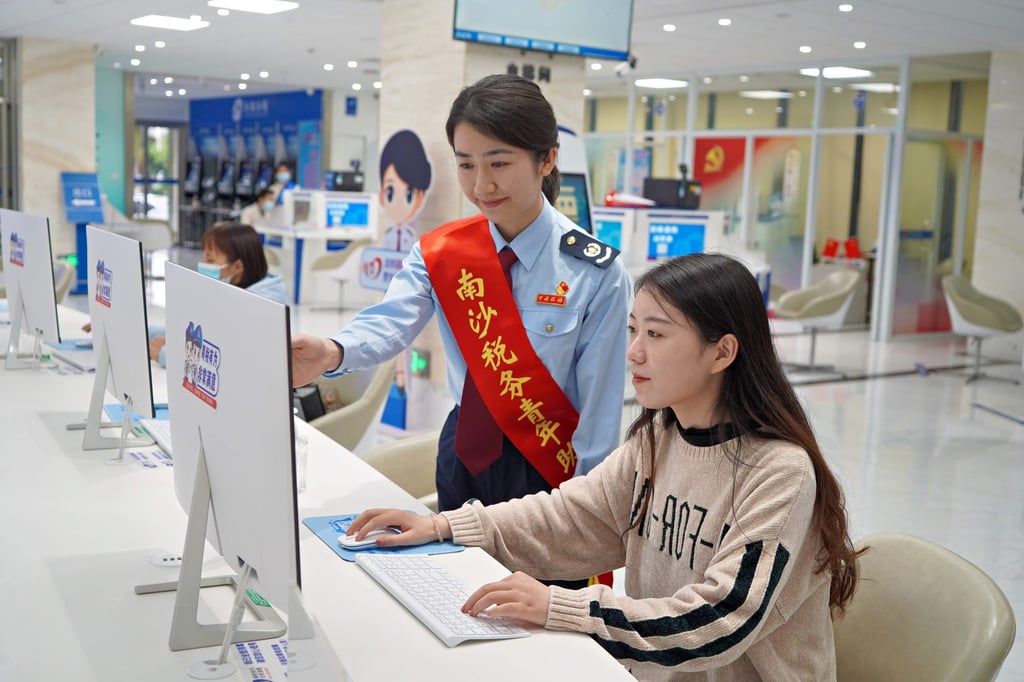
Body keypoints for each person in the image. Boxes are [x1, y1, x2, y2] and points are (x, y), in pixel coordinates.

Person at [347, 252, 864, 680]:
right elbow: (572, 517)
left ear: (722, 351)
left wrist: (565, 609)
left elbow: (721, 619)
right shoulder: (659, 438)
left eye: (656, 336)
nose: (633, 353)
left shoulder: (780, 473)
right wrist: (444, 526)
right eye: (633, 330)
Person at [290, 74, 631, 583]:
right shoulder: (444, 252)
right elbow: (391, 323)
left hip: (546, 472)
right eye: (466, 164)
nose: (480, 186)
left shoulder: (594, 273)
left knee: (534, 616)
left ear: (547, 159)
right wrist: (332, 350)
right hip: (462, 455)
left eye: (499, 163)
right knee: (457, 593)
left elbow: (600, 421)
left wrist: (588, 520)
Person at [149, 222, 286, 366]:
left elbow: (225, 358)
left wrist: (166, 355)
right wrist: (146, 330)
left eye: (210, 259)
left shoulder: (261, 304)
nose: (203, 263)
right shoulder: (231, 288)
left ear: (238, 266)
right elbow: (198, 332)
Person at [378, 129, 433, 254]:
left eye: (409, 195)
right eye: (390, 193)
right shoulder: (387, 235)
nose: (398, 205)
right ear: (381, 195)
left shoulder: (410, 236)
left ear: (419, 198)